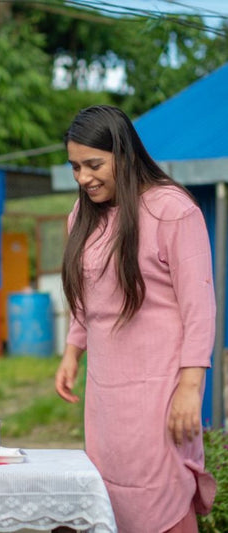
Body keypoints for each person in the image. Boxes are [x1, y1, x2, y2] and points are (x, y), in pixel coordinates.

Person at [55, 105, 217, 533]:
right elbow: (87, 296)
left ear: (123, 155)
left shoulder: (172, 210)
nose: (83, 178)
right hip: (106, 395)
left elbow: (199, 309)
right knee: (110, 495)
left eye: (94, 164)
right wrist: (73, 350)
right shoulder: (81, 216)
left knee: (160, 496)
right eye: (75, 167)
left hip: (160, 393)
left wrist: (190, 387)